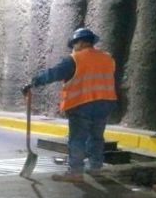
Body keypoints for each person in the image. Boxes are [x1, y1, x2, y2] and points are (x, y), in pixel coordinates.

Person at [22, 27, 118, 182]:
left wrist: (33, 82)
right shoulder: (108, 58)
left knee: (77, 139)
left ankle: (75, 172)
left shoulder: (75, 59)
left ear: (78, 42)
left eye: (74, 44)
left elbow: (53, 74)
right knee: (96, 137)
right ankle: (95, 167)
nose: (74, 47)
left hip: (82, 104)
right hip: (105, 103)